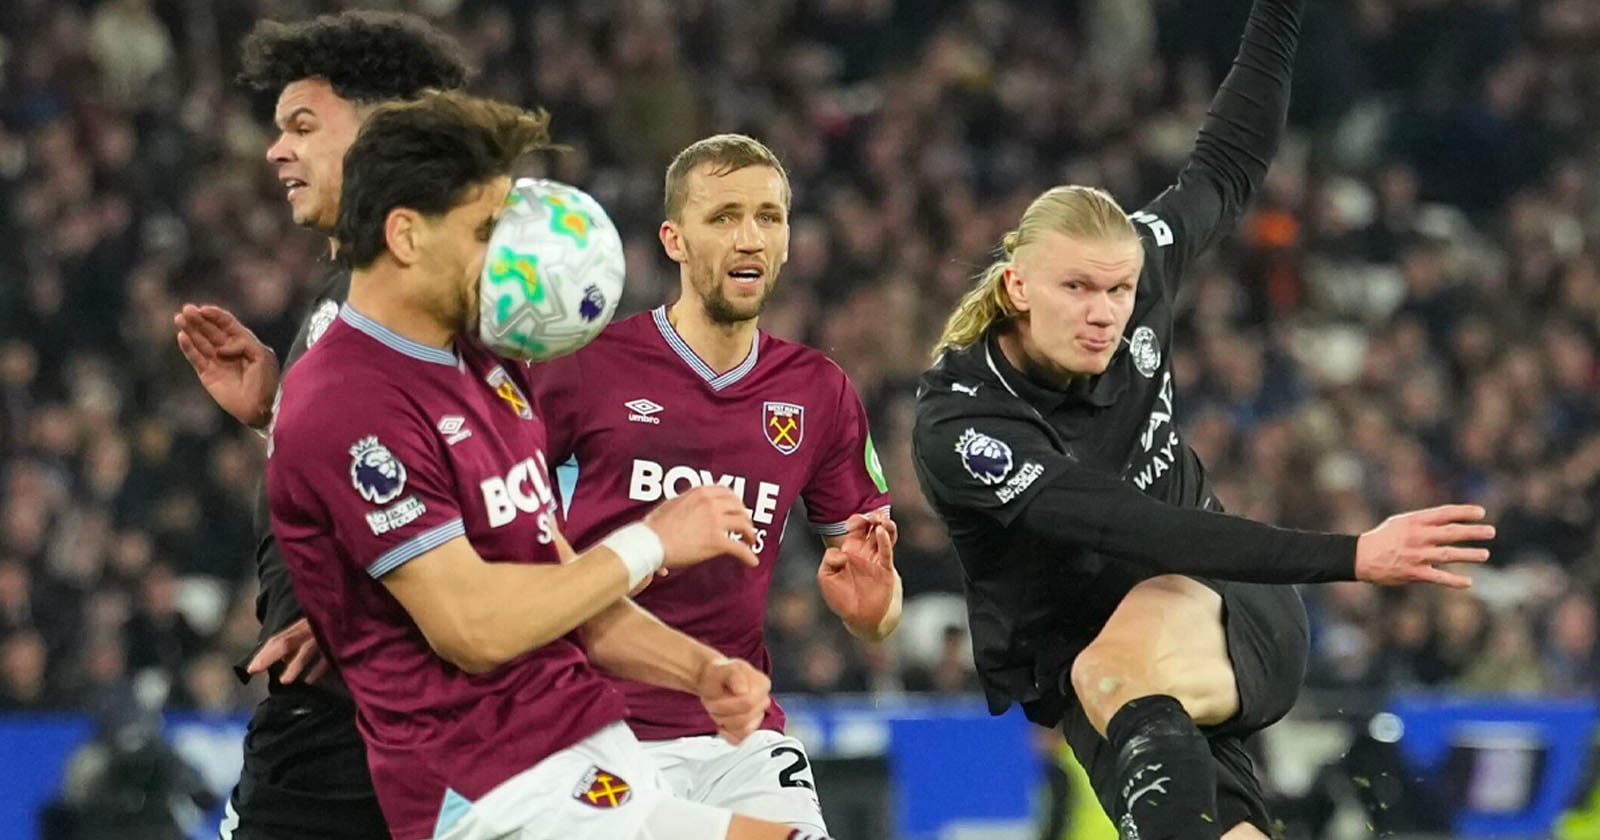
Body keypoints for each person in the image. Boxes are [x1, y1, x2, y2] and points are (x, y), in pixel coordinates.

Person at [909, 1, 1495, 838]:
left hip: (1218, 602)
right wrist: (1355, 555)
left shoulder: (1141, 266)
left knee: (1115, 672)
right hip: (1107, 675)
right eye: (1077, 288)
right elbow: (1126, 524)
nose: (1105, 312)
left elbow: (1226, 164)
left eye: (1117, 290)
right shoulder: (968, 426)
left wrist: (1281, 11)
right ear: (1016, 287)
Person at [268, 89, 838, 840]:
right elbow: (471, 626)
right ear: (406, 236)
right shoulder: (347, 400)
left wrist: (697, 671)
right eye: (483, 231)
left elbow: (561, 580)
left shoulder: (488, 367)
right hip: (487, 785)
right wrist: (652, 542)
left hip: (577, 737)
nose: (505, 254)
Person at [526, 133, 898, 834]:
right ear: (674, 239)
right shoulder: (589, 364)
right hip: (592, 720)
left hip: (738, 729)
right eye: (724, 216)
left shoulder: (819, 392)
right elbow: (488, 511)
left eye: (769, 217)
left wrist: (874, 607)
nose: (749, 237)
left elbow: (874, 609)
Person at [171, 11, 471, 838]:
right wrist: (278, 416)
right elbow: (390, 473)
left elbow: (521, 495)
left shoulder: (445, 297)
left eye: (304, 126)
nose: (277, 151)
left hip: (373, 741)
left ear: (386, 135)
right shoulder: (350, 299)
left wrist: (365, 617)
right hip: (325, 735)